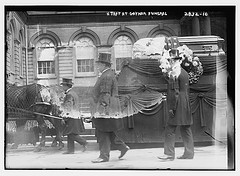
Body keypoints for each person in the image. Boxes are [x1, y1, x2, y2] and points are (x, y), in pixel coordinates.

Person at [90, 53, 130, 163]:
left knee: (102, 132)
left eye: (99, 64)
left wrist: (102, 111)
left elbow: (105, 94)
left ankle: (104, 156)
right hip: (111, 108)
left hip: (106, 109)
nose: (97, 67)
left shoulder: (106, 76)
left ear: (104, 65)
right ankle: (122, 147)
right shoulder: (108, 74)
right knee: (108, 131)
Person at [158, 48, 194, 161]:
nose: (171, 62)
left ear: (176, 60)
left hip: (177, 103)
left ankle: (169, 154)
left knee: (170, 128)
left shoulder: (175, 73)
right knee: (185, 128)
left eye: (172, 60)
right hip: (185, 103)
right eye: (170, 60)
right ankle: (189, 153)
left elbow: (175, 92)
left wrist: (172, 108)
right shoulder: (183, 72)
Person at [60, 78, 88, 154]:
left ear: (67, 86)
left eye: (63, 85)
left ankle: (84, 142)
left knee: (71, 134)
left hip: (71, 117)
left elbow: (68, 107)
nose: (62, 87)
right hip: (76, 116)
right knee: (70, 133)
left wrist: (64, 117)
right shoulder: (73, 93)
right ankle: (70, 150)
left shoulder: (69, 95)